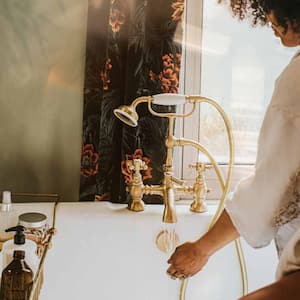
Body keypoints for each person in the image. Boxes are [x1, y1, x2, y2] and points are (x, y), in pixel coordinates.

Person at [167, 1, 300, 299]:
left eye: (275, 24)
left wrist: (201, 249)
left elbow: (271, 188)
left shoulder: (296, 82)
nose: (274, 31)